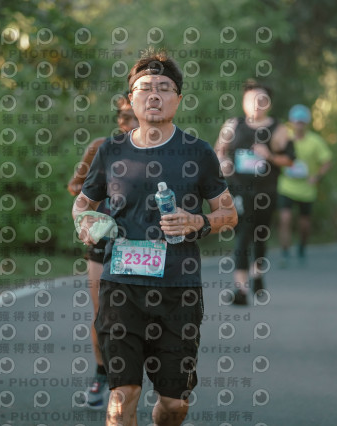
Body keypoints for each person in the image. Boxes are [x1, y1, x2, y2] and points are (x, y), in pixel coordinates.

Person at [72, 48, 237, 426]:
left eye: (164, 88)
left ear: (178, 99)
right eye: (145, 88)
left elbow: (229, 214)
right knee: (122, 396)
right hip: (120, 288)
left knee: (174, 405)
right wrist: (84, 222)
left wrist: (197, 222)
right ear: (131, 99)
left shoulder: (198, 152)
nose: (154, 95)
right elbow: (82, 203)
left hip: (179, 290)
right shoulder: (110, 151)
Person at [67, 94, 139, 409]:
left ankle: (136, 378)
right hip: (104, 238)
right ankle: (101, 373)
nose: (129, 122)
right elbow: (76, 187)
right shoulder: (101, 147)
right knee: (102, 314)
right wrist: (97, 204)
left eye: (133, 115)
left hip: (141, 242)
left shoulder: (164, 151)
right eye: (123, 116)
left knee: (142, 314)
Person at [214, 79, 295, 305]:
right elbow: (219, 151)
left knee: (260, 235)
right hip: (238, 190)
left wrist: (269, 156)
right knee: (242, 233)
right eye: (251, 99)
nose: (256, 104)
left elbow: (290, 160)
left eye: (262, 100)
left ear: (269, 103)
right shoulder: (233, 125)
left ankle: (257, 274)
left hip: (265, 192)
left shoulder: (278, 129)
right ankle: (241, 289)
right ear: (244, 101)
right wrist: (223, 162)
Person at [277, 104, 332, 265]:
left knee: (304, 224)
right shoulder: (285, 139)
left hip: (307, 189)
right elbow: (275, 156)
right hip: (286, 186)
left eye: (302, 122)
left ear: (307, 123)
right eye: (296, 121)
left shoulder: (315, 141)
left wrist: (317, 176)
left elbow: (327, 161)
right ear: (291, 122)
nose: (299, 125)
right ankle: (285, 252)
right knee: (285, 219)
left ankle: (302, 246)